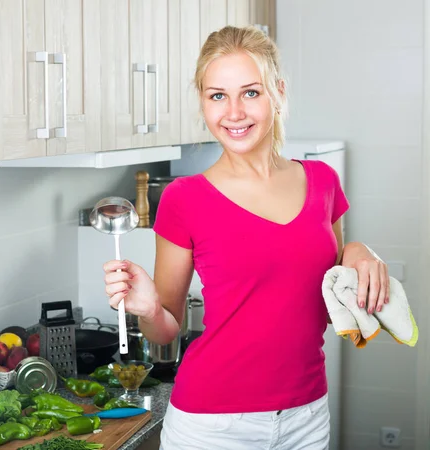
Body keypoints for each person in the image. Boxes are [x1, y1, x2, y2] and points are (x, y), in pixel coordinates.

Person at [102, 25, 389, 450]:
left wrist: (358, 252)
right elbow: (165, 330)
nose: (234, 112)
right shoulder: (184, 199)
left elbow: (330, 304)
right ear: (203, 102)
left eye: (250, 92)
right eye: (218, 95)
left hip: (306, 416)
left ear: (278, 92)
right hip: (212, 425)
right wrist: (146, 309)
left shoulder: (323, 182)